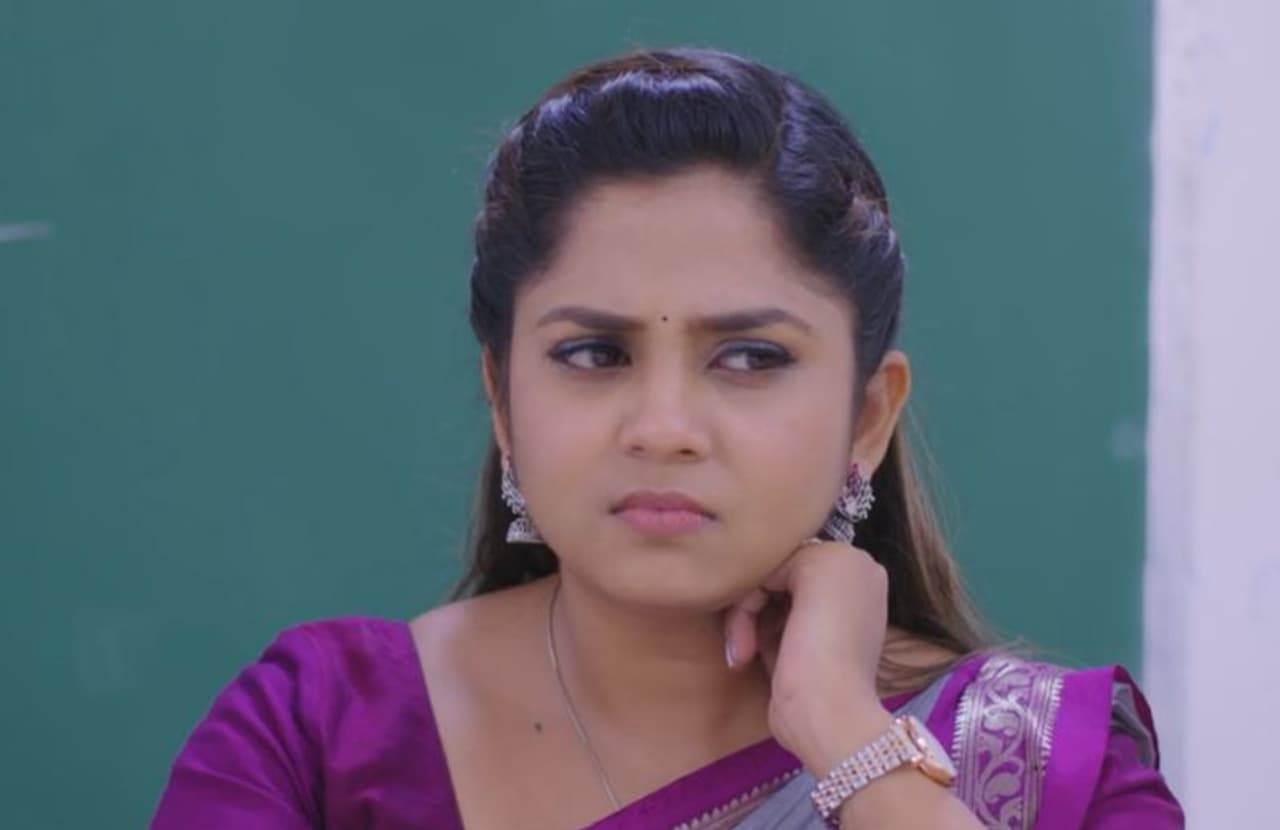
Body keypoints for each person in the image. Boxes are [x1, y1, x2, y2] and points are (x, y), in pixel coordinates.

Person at [151, 47, 1183, 829]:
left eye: (749, 357)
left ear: (868, 415)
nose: (662, 428)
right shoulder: (320, 734)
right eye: (593, 353)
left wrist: (846, 736)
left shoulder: (1038, 764)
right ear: (503, 400)